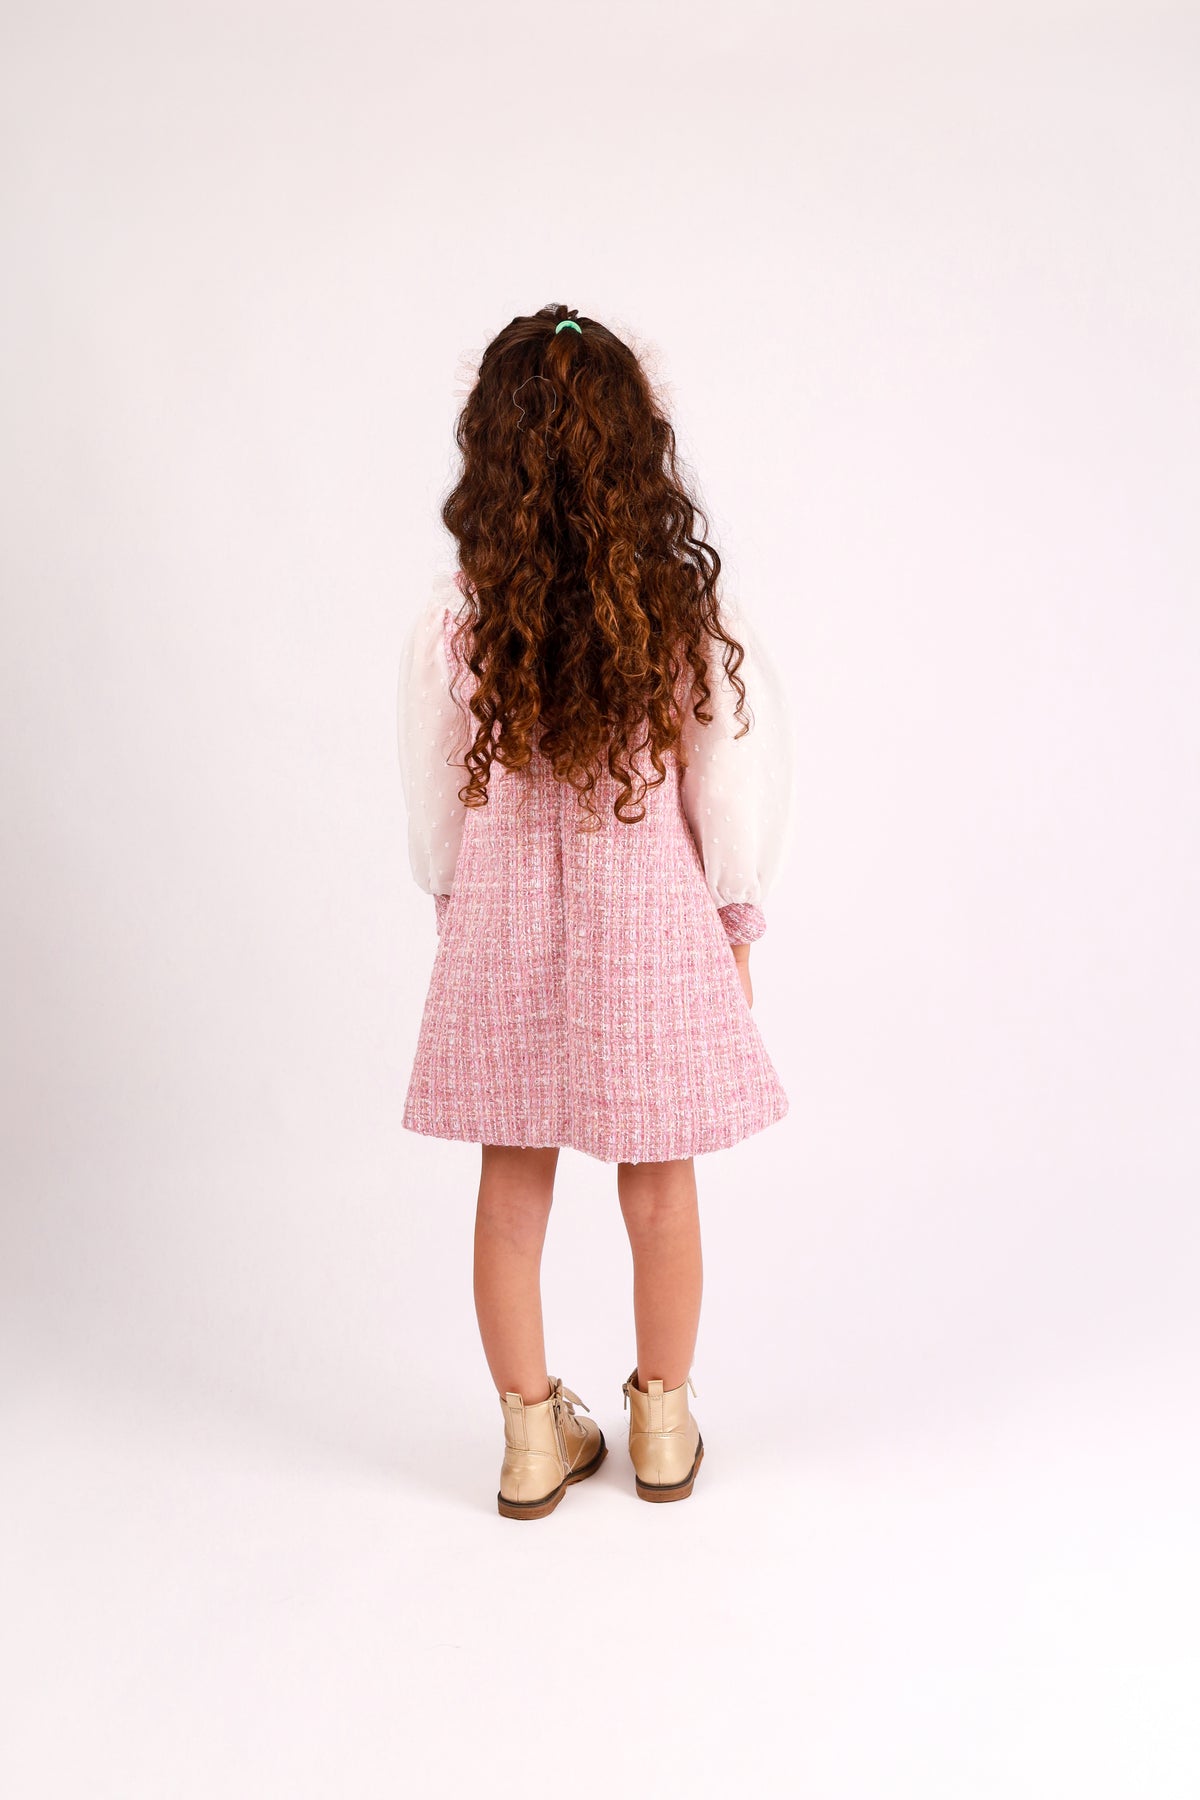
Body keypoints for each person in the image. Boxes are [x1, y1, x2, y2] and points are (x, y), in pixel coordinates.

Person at [396, 303, 794, 1520]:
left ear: (492, 450)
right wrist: (734, 919)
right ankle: (662, 1425)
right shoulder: (682, 618)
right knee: (659, 1187)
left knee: (510, 1192)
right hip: (651, 934)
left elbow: (435, 792)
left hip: (504, 934)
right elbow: (729, 780)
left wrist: (457, 906)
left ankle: (531, 1437)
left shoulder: (461, 621)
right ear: (634, 449)